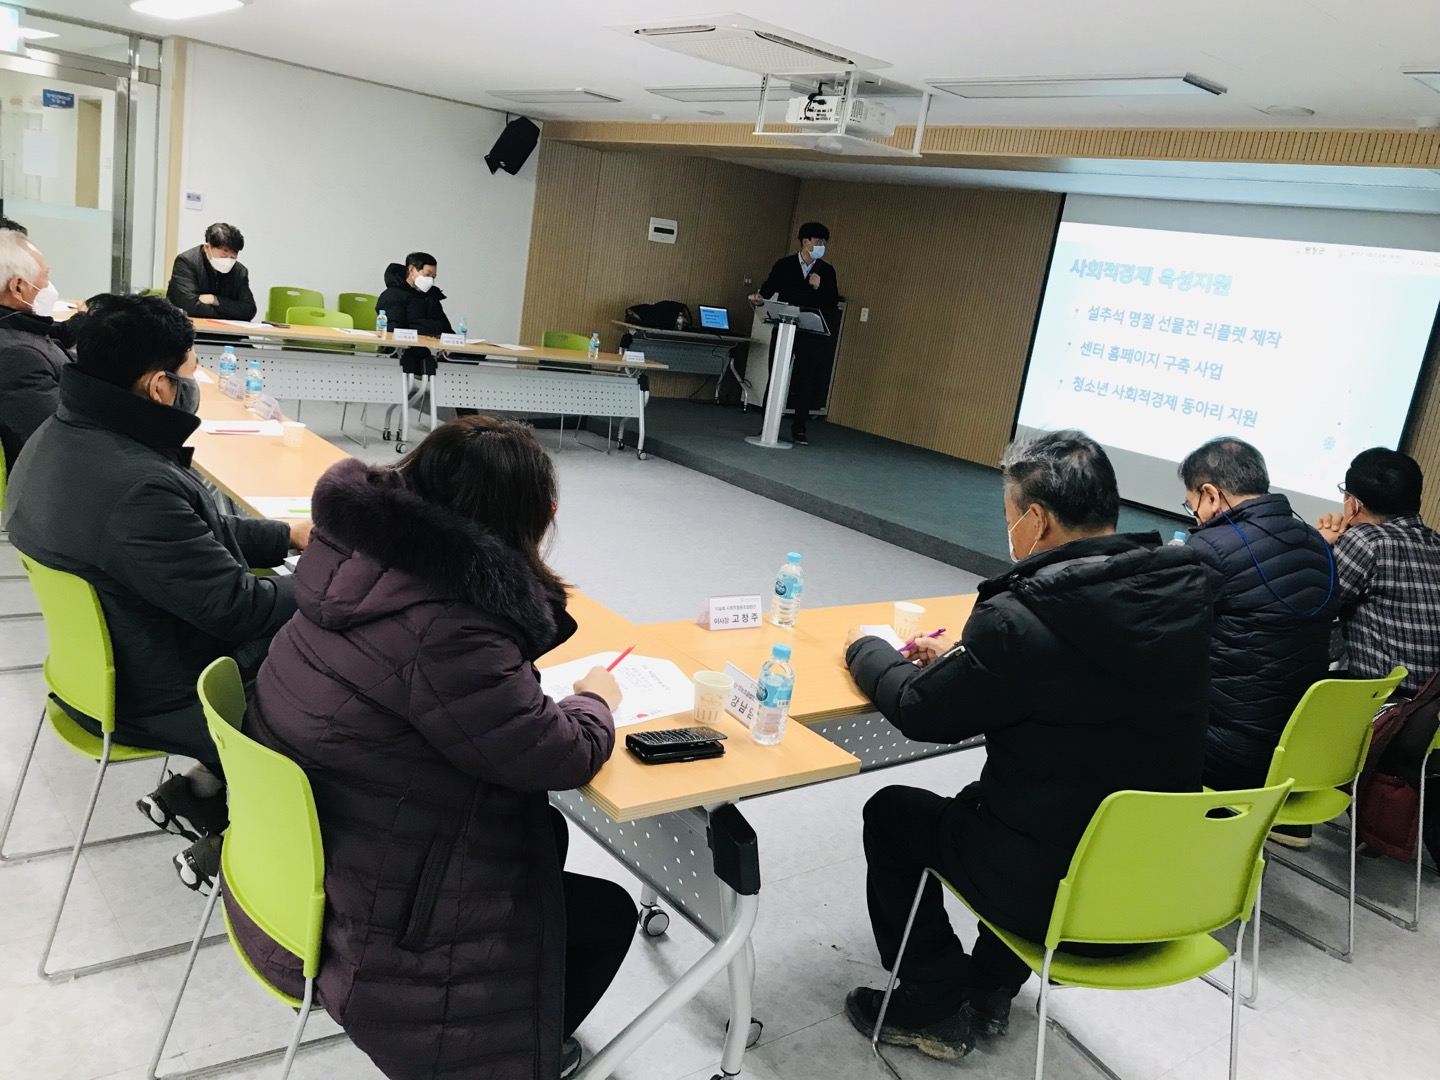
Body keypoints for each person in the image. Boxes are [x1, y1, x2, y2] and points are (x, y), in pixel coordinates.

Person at [231, 418, 635, 1080]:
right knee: (607, 913)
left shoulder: (349, 563)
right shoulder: (452, 628)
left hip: (290, 881)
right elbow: (558, 754)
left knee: (552, 850)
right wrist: (595, 700)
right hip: (375, 930)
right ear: (533, 518)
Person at [840, 430, 1212, 1061]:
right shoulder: (1184, 592)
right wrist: (968, 660)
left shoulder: (1021, 617)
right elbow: (1074, 686)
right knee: (1019, 806)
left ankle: (931, 1001)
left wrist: (865, 648)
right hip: (1158, 886)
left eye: (1010, 515)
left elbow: (919, 711)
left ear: (1036, 520)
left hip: (1060, 898)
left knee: (893, 812)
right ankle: (989, 989)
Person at [5, 294, 305, 887]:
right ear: (159, 387)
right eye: (192, 370)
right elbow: (239, 609)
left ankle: (199, 792)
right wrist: (341, 577)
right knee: (343, 676)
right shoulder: (137, 485)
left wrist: (287, 536)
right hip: (161, 693)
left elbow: (184, 541)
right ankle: (252, 845)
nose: (196, 382)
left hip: (103, 670)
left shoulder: (63, 434)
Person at [1179, 437, 1336, 793]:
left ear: (1211, 494)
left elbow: (1166, 637)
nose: (1197, 517)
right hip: (1296, 750)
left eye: (1193, 506)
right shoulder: (1317, 543)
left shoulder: (1212, 547)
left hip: (1226, 752)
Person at [1317, 447, 1440, 697]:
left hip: (1383, 702)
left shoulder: (1366, 540)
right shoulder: (1435, 542)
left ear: (1353, 505)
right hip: (1429, 705)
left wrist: (1320, 544)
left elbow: (1316, 605)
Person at [750, 222, 840, 445]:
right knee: (775, 375)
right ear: (805, 242)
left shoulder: (826, 271)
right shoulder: (785, 265)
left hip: (810, 334)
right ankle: (767, 422)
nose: (821, 246)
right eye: (818, 241)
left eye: (824, 242)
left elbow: (832, 303)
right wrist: (759, 298)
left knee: (805, 380)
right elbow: (768, 289)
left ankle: (799, 427)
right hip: (783, 328)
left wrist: (820, 287)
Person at [0, 229, 69, 473]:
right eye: (45, 277)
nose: (49, 286)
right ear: (18, 287)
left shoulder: (22, 331)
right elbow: (60, 441)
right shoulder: (17, 356)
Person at [377, 251, 453, 376]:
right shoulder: (392, 295)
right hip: (410, 353)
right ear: (412, 270)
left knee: (469, 355)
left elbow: (445, 327)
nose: (430, 280)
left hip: (433, 351)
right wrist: (429, 332)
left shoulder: (431, 297)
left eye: (433, 277)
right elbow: (394, 330)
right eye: (427, 274)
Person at [166, 222, 257, 321]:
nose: (228, 260)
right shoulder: (186, 262)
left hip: (226, 329)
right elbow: (191, 306)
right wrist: (232, 313)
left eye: (233, 256)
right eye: (223, 255)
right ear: (207, 248)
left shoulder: (240, 271)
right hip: (185, 325)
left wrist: (214, 300)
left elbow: (249, 310)